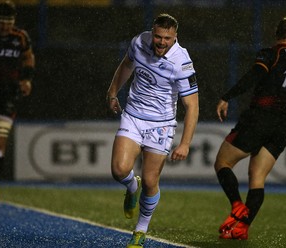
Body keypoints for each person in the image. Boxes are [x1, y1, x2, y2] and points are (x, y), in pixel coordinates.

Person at [106, 13, 199, 248]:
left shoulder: (182, 62)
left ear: (175, 36)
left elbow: (192, 106)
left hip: (161, 124)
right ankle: (131, 187)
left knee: (150, 180)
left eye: (167, 38)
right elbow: (127, 64)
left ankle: (140, 230)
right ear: (152, 32)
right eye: (158, 36)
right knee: (119, 170)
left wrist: (185, 143)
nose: (161, 42)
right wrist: (113, 91)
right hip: (134, 117)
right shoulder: (139, 42)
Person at [214, 17, 286, 240]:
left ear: (277, 33)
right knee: (257, 178)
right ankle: (242, 228)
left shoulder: (271, 54)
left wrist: (227, 96)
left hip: (259, 119)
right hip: (281, 125)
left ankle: (237, 207)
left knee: (222, 162)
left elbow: (254, 76)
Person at [0, 1, 35, 206]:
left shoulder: (20, 37)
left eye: (8, 22)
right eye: (1, 22)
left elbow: (28, 58)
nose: (5, 26)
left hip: (6, 97)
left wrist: (26, 79)